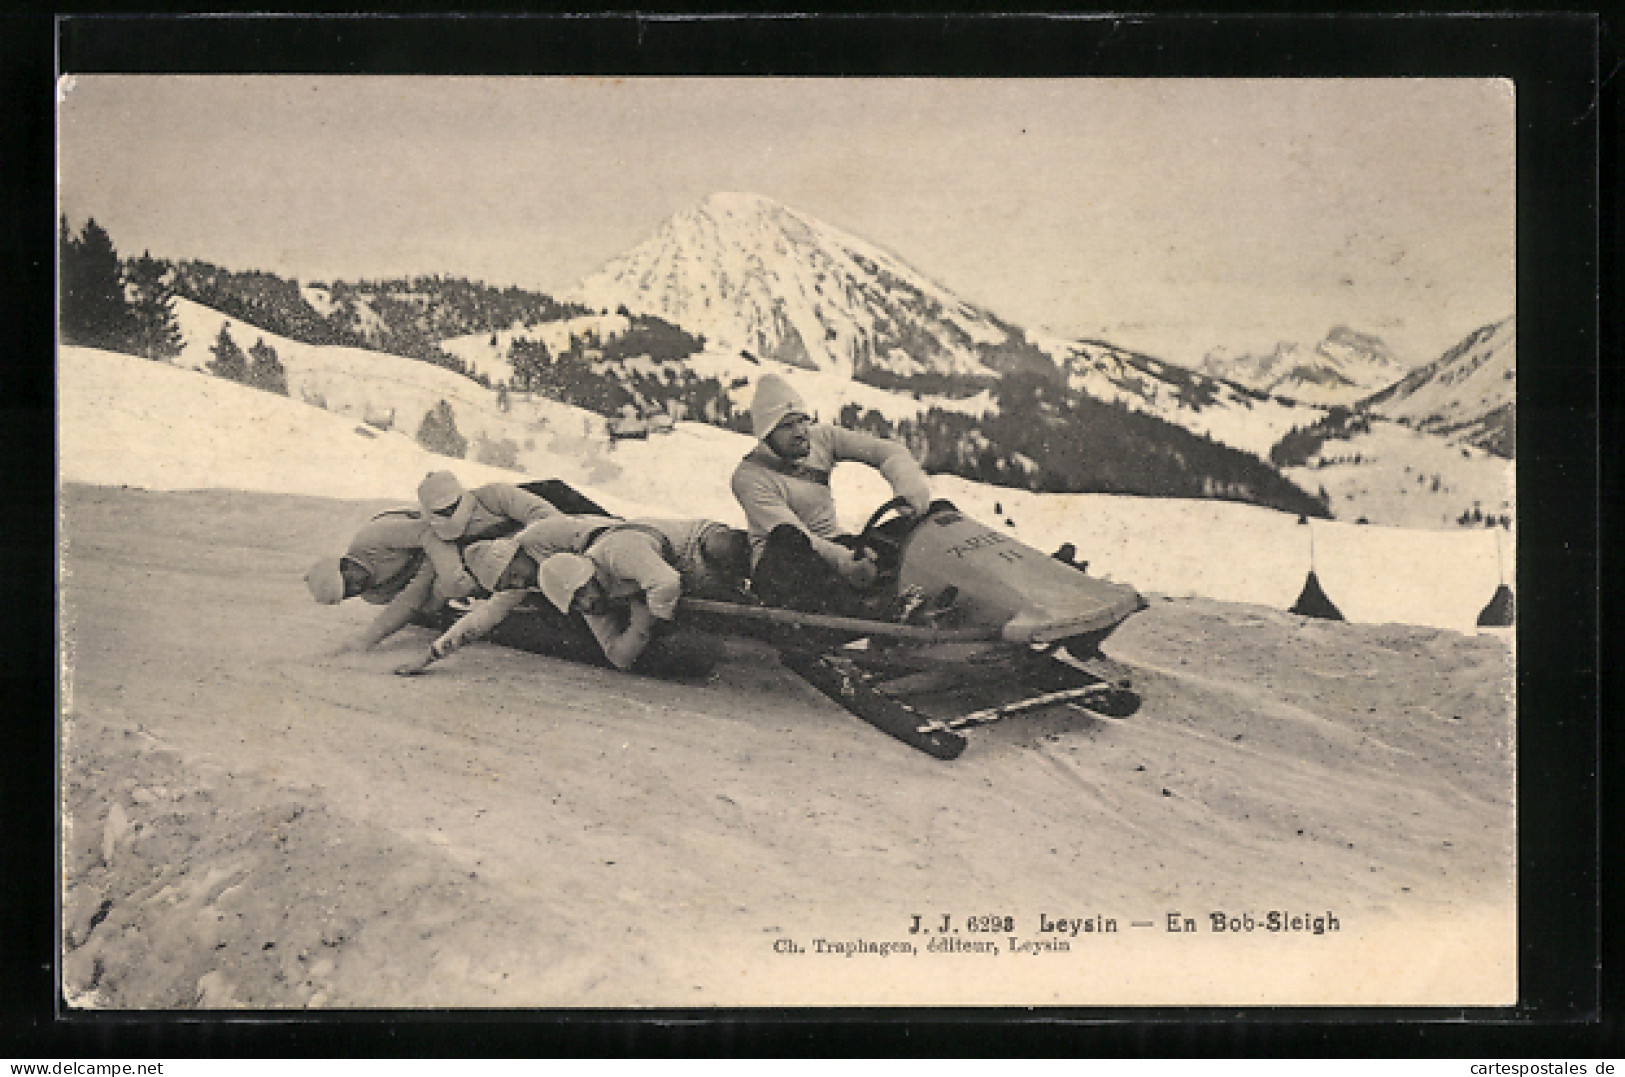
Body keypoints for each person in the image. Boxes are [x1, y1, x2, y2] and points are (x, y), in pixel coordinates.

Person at [393, 514, 742, 677]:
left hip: (633, 552)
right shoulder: (529, 580)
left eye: (515, 575)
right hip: (606, 587)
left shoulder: (543, 537)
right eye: (509, 584)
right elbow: (483, 617)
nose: (519, 584)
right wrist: (432, 654)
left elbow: (617, 548)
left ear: (516, 555)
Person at [730, 373, 934, 617]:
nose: (800, 432)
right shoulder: (749, 477)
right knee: (788, 538)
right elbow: (799, 535)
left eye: (802, 421)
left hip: (836, 549)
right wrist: (846, 562)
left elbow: (888, 452)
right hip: (783, 569)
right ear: (766, 433)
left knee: (929, 519)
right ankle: (878, 612)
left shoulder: (821, 439)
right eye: (786, 426)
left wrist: (909, 487)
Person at [304, 507, 451, 652]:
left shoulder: (371, 538)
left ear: (345, 564)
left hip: (447, 532)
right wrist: (365, 641)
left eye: (348, 582)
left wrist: (427, 577)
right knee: (422, 612)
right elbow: (407, 605)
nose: (356, 588)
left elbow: (430, 533)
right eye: (348, 594)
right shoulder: (373, 595)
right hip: (436, 570)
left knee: (453, 581)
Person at [414, 470, 562, 599]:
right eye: (442, 511)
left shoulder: (495, 495)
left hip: (546, 549)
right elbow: (449, 580)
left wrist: (515, 550)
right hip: (511, 580)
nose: (449, 513)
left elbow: (550, 519)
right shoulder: (439, 535)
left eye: (452, 507)